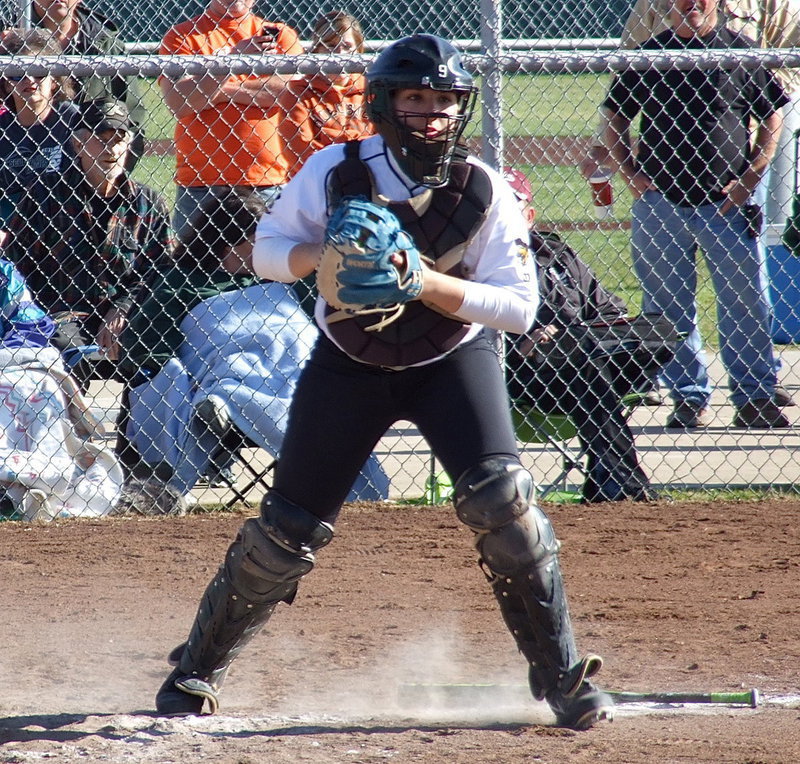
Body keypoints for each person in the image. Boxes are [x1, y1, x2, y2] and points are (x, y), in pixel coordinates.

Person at [154, 34, 614, 731]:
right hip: (351, 364)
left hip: (452, 360)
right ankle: (197, 668)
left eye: (446, 102)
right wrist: (322, 255)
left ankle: (560, 673)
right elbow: (267, 252)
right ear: (384, 103)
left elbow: (518, 309)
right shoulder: (333, 173)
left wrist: (424, 281)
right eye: (417, 98)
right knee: (287, 531)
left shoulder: (480, 186)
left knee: (506, 505)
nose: (433, 115)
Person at [118, 190, 389, 502]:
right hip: (230, 366)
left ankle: (223, 404)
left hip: (298, 373)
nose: (275, 249)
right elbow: (146, 343)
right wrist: (175, 375)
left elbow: (324, 327)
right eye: (264, 240)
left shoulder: (289, 278)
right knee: (232, 378)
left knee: (304, 362)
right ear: (230, 240)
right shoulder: (181, 281)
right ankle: (221, 399)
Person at [602, 0, 792, 429]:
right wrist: (629, 172)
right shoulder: (651, 54)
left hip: (726, 203)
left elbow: (772, 113)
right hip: (661, 203)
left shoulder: (737, 51)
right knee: (666, 308)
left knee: (747, 301)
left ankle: (754, 397)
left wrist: (755, 170)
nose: (690, 3)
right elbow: (614, 116)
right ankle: (689, 397)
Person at [503, 168, 661, 503]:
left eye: (511, 207)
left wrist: (590, 332)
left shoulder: (556, 255)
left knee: (657, 331)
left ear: (529, 216)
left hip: (587, 360)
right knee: (587, 367)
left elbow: (608, 309)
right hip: (528, 376)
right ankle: (621, 481)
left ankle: (609, 479)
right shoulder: (475, 264)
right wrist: (524, 344)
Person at [5, 98, 173, 391]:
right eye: (101, 138)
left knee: (157, 349)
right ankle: (71, 432)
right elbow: (17, 264)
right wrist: (43, 311)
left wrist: (123, 307)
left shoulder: (148, 204)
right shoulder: (43, 196)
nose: (112, 149)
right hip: (62, 314)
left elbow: (161, 271)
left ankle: (133, 434)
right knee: (65, 349)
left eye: (119, 139)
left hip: (126, 313)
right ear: (78, 144)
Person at [158, 0, 304, 235]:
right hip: (201, 183)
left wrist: (214, 89)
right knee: (193, 268)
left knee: (270, 265)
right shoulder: (183, 35)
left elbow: (288, 93)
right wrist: (234, 61)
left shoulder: (279, 35)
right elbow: (180, 102)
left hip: (267, 180)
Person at [0, 257, 123, 521]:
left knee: (38, 384)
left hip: (7, 359)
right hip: (50, 324)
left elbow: (27, 326)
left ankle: (30, 483)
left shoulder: (4, 274)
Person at [15, 0, 147, 168]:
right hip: (23, 168)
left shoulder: (106, 44)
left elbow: (133, 119)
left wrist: (113, 176)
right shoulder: (10, 38)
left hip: (93, 174)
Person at [0, 29, 78, 238]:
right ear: (7, 83)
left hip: (64, 227)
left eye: (39, 72)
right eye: (18, 73)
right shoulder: (2, 129)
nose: (29, 80)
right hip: (8, 228)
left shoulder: (74, 122)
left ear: (54, 80)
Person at [278, 11, 373, 174]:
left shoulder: (371, 92)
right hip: (316, 185)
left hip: (369, 181)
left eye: (347, 46)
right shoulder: (299, 93)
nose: (339, 54)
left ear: (358, 50)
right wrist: (359, 144)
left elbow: (384, 144)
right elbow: (301, 155)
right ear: (317, 50)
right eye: (330, 46)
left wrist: (328, 137)